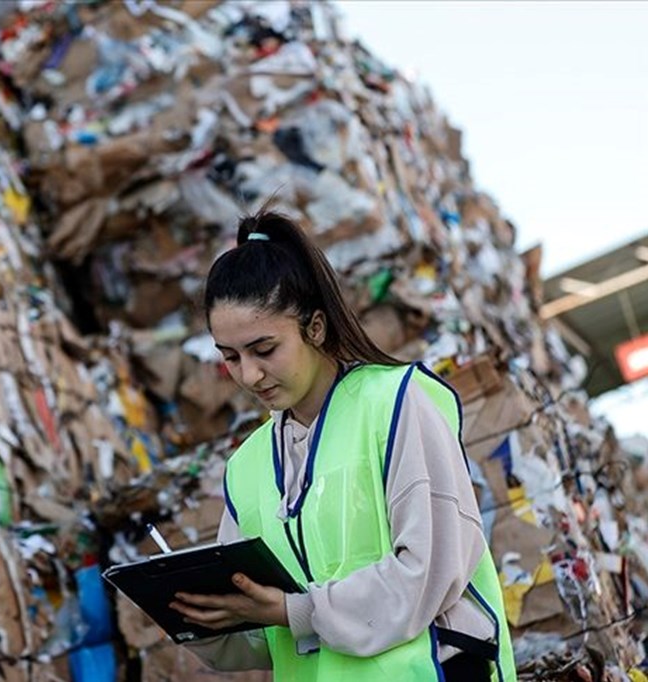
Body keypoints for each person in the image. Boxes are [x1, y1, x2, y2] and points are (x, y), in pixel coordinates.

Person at [169, 210, 516, 681]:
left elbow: (429, 572)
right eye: (230, 357)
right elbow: (261, 637)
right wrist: (204, 619)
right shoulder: (247, 468)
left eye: (265, 350)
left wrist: (298, 611)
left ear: (315, 327)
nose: (249, 375)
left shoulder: (394, 403)